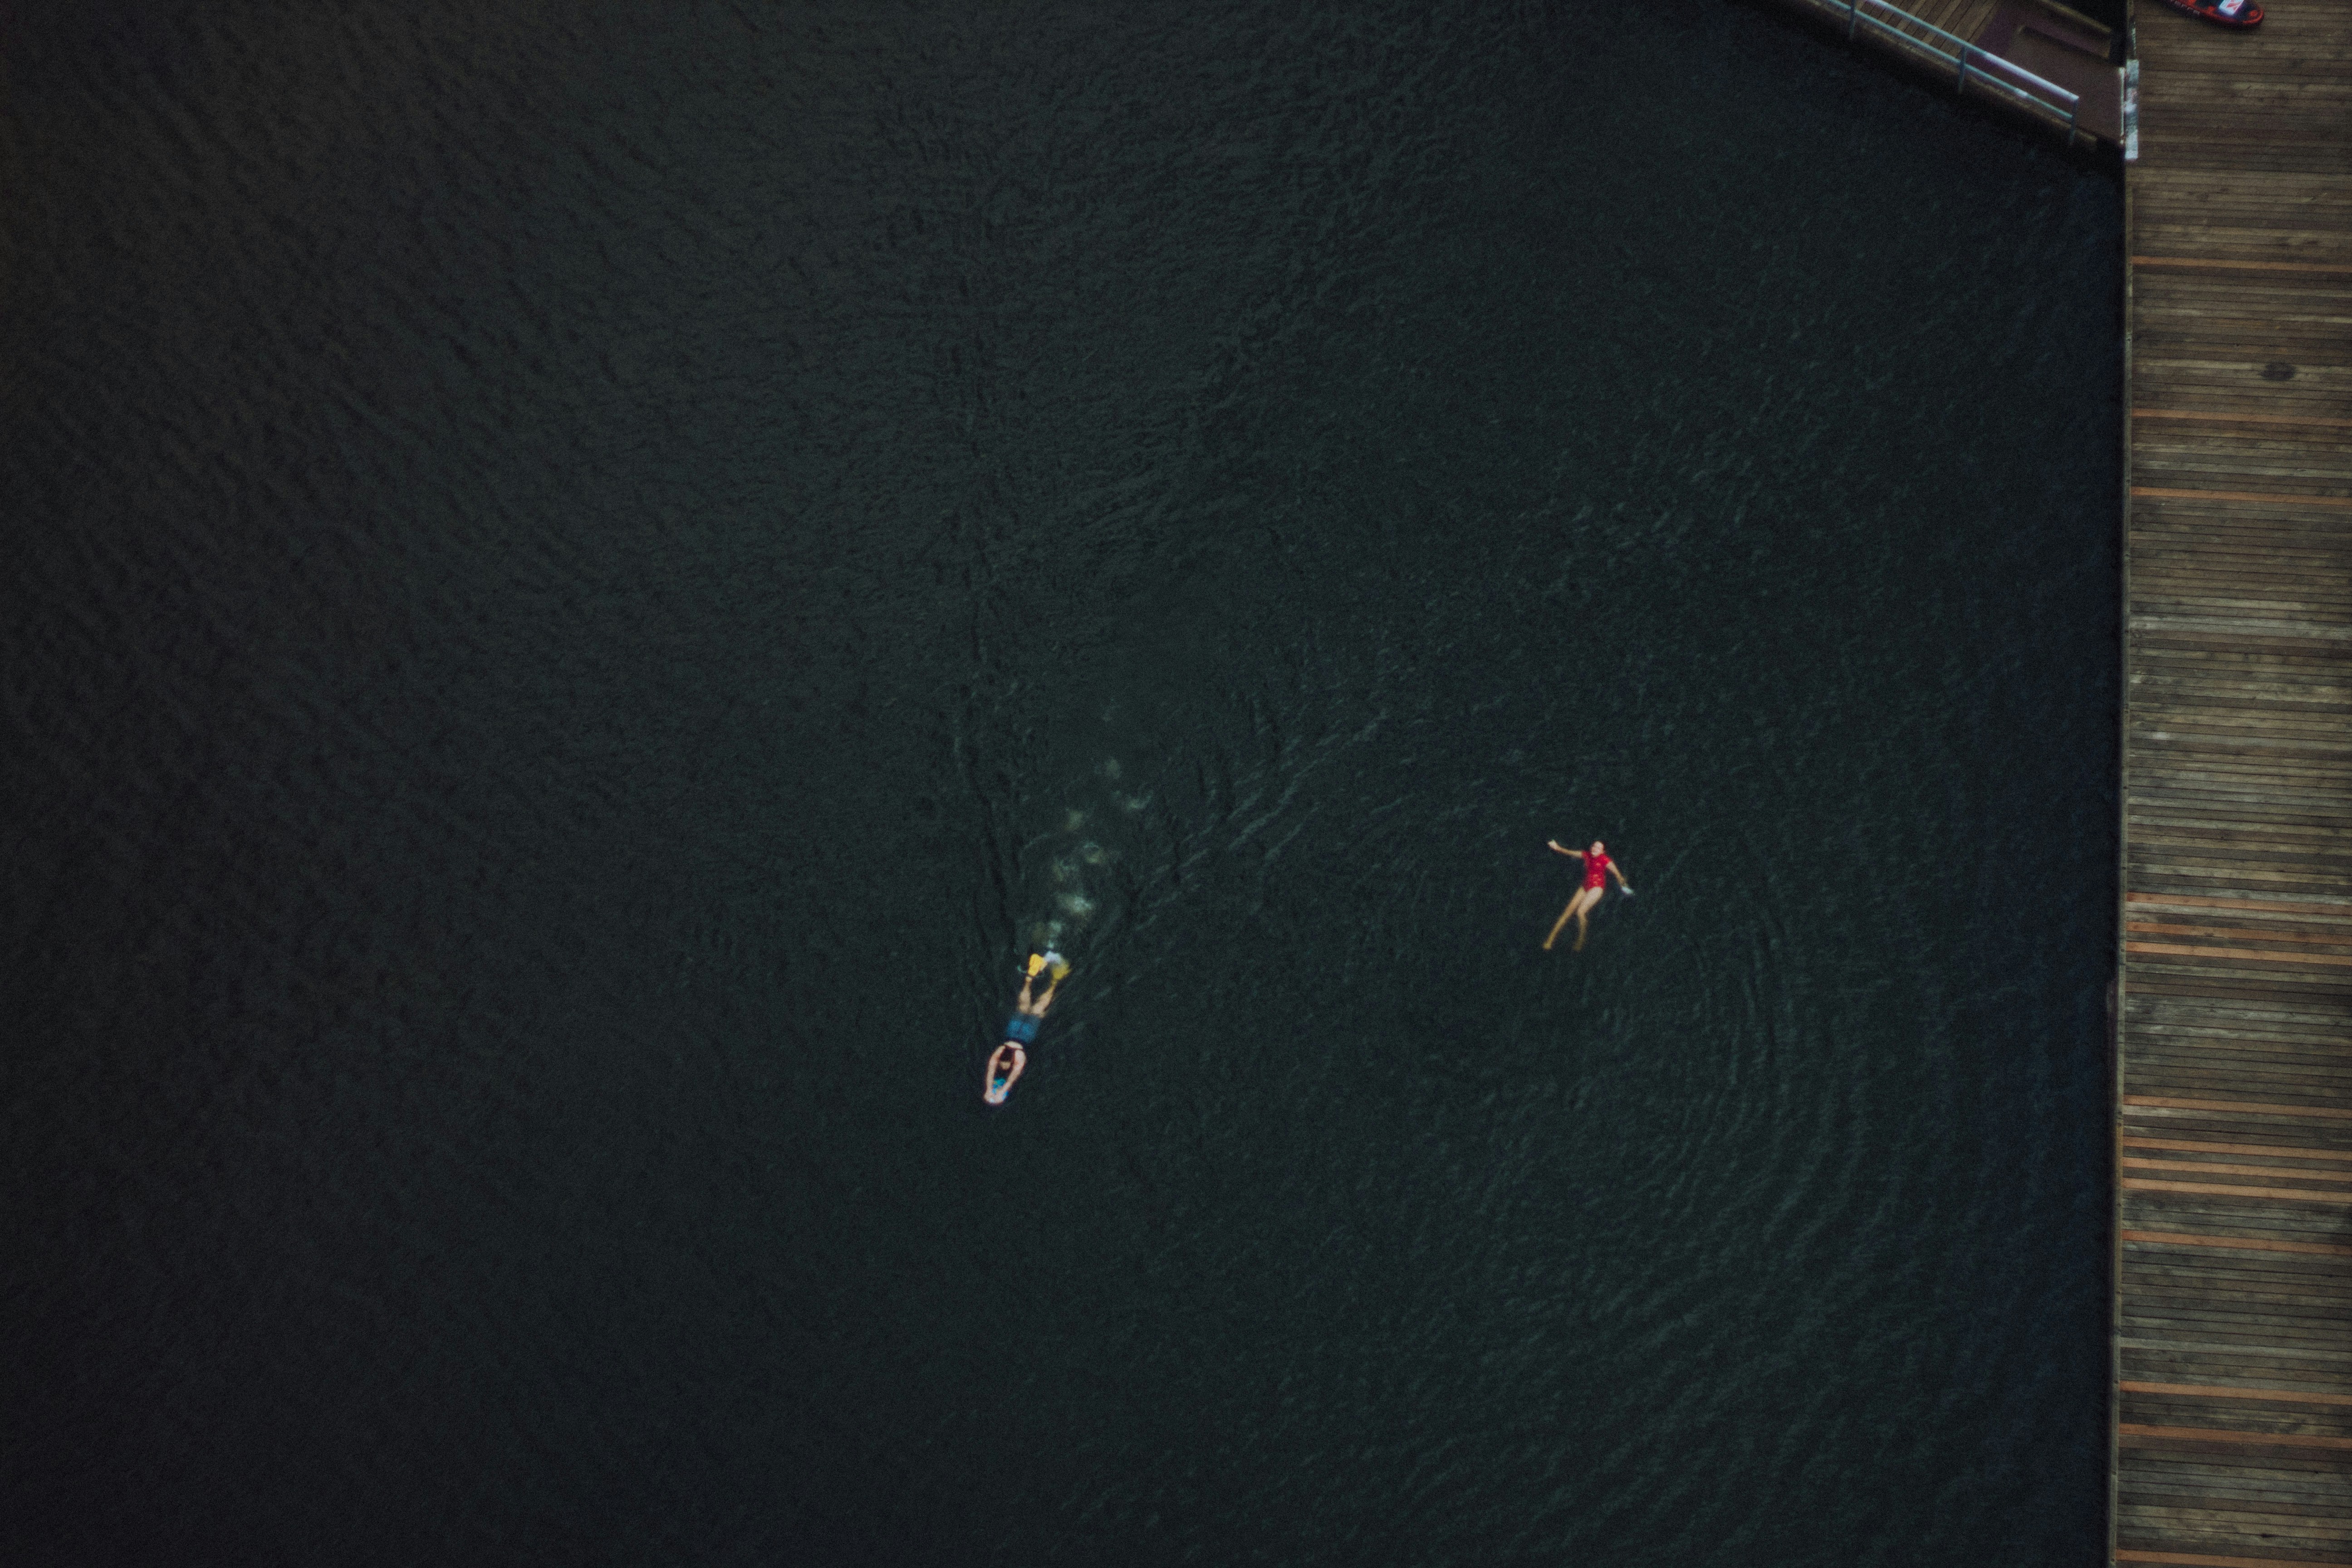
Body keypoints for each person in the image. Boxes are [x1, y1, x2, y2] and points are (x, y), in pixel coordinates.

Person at [984, 951, 1068, 1103]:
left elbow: (1009, 1079)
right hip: (1013, 1033)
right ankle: (1031, 980)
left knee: (1036, 1011)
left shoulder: (1019, 1059)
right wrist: (989, 1089)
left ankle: (1054, 982)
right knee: (1026, 1008)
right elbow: (992, 1070)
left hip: (1026, 1036)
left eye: (1004, 1065)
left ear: (1008, 1062)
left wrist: (998, 1092)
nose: (1003, 1067)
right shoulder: (1000, 1052)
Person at [1544, 839, 1633, 952]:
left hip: (1597, 888)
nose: (1595, 849)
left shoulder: (1606, 860)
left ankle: (1581, 940)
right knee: (1567, 913)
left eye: (1599, 848)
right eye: (1594, 846)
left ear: (1603, 852)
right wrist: (1557, 848)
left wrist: (1623, 884)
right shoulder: (1586, 855)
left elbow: (1617, 874)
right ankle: (1550, 940)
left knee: (1580, 912)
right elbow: (1569, 852)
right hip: (1585, 886)